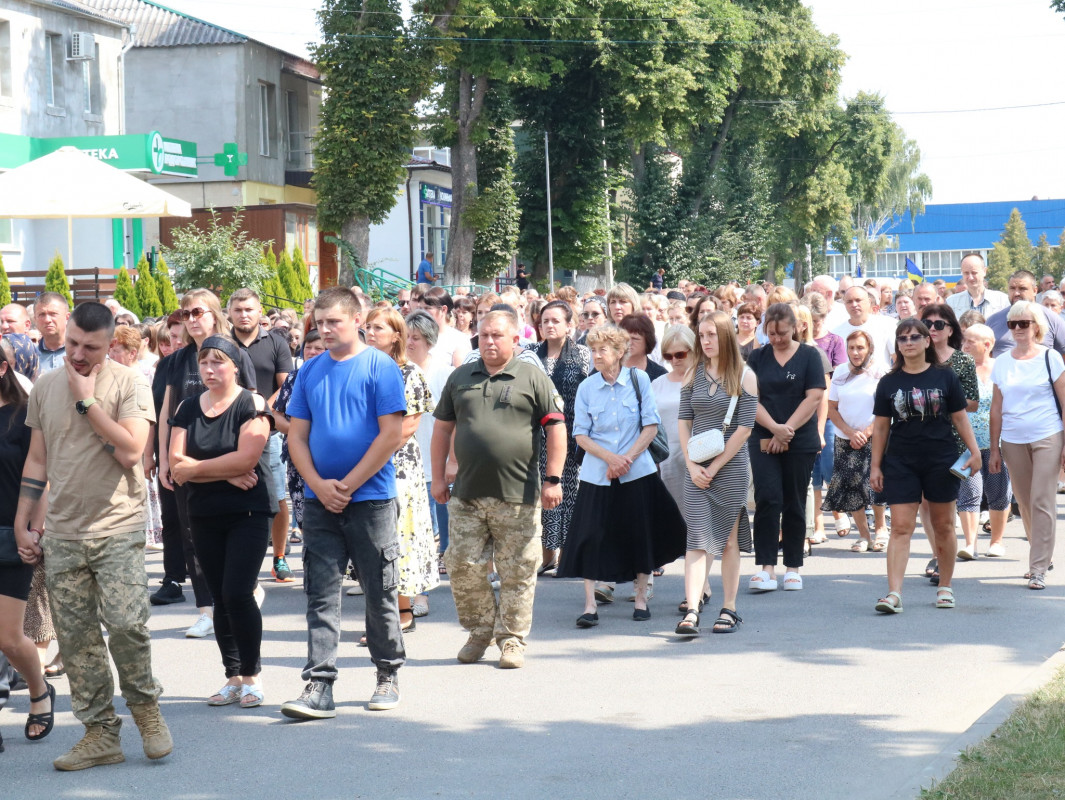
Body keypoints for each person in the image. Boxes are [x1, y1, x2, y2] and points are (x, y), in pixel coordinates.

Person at [14, 301, 172, 770]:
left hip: (116, 526)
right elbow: (38, 460)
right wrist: (26, 521)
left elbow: (130, 451)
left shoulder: (129, 384)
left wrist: (87, 401)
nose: (79, 354)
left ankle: (147, 714)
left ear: (109, 345)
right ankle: (100, 732)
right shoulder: (44, 387)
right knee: (77, 638)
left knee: (126, 625)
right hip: (62, 532)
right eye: (73, 344)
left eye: (90, 347)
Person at [279, 288, 407, 718]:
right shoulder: (310, 371)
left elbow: (391, 434)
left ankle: (387, 672)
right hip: (320, 502)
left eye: (333, 321)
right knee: (321, 592)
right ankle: (320, 685)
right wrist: (318, 483)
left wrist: (347, 485)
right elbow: (296, 435)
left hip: (370, 499)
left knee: (379, 590)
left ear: (357, 320)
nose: (324, 329)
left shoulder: (380, 366)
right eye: (319, 321)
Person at [431, 311, 566, 668]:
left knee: (519, 569)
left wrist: (553, 479)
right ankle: (479, 631)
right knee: (461, 563)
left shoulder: (532, 377)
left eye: (498, 336)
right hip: (467, 493)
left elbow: (556, 429)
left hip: (518, 494)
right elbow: (443, 430)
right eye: (484, 335)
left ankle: (512, 639)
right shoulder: (461, 377)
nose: (489, 341)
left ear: (514, 340)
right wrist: (438, 477)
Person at [557, 325, 685, 627]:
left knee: (639, 533)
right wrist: (610, 459)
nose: (596, 355)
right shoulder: (587, 387)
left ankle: (641, 599)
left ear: (619, 352)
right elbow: (581, 435)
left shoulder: (639, 380)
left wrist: (625, 459)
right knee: (590, 536)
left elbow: (651, 426)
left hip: (636, 472)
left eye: (602, 349)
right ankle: (589, 605)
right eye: (593, 350)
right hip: (596, 474)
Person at [168, 335, 271, 708]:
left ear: (235, 365)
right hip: (203, 513)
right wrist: (222, 473)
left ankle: (252, 677)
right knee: (217, 599)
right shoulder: (187, 406)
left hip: (247, 514)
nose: (209, 370)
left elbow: (246, 459)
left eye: (218, 362)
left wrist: (200, 469)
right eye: (204, 363)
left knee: (237, 593)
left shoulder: (252, 403)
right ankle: (232, 676)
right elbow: (176, 466)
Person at [158, 290, 258, 637]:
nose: (189, 318)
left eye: (196, 311)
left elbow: (250, 409)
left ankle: (239, 593)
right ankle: (206, 609)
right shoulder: (176, 359)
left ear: (214, 313)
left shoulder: (234, 353)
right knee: (190, 535)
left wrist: (226, 470)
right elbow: (167, 413)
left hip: (233, 458)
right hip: (184, 453)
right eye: (184, 313)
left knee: (231, 544)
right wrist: (160, 461)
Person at [871, 319, 981, 614]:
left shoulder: (945, 377)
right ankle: (894, 593)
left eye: (915, 337)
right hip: (901, 461)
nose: (908, 342)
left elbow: (960, 418)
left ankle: (945, 586)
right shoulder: (888, 382)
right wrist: (875, 466)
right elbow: (880, 428)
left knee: (944, 524)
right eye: (903, 338)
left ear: (927, 341)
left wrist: (974, 452)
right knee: (901, 527)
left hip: (941, 459)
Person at [675, 313, 758, 635]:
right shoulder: (692, 374)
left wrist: (713, 467)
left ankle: (729, 607)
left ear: (725, 336)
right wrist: (692, 465)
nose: (706, 341)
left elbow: (745, 429)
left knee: (727, 542)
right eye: (702, 335)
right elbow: (683, 422)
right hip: (696, 467)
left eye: (711, 334)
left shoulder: (744, 375)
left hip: (731, 467)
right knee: (696, 539)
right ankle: (692, 609)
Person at [363, 308, 439, 627]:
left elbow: (406, 427)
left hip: (398, 467)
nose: (369, 332)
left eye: (377, 328)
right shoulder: (360, 370)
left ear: (396, 335)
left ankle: (402, 610)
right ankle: (380, 612)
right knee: (371, 540)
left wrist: (370, 455)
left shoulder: (410, 374)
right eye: (367, 327)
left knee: (399, 535)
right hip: (364, 463)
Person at [746, 303, 826, 593]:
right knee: (767, 497)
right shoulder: (757, 356)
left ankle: (793, 566)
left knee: (794, 499)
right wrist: (775, 429)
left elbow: (814, 396)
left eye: (782, 332)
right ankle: (766, 566)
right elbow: (749, 398)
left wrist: (785, 431)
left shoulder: (809, 356)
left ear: (796, 327)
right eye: (771, 333)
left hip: (799, 438)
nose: (777, 339)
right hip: (763, 435)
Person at [0, 336, 54, 747]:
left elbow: (41, 478)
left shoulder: (22, 416)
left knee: (8, 637)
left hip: (10, 534)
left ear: (3, 368)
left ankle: (38, 691)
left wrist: (34, 530)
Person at [989, 302, 1065, 590]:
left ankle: (1038, 569)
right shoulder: (1003, 362)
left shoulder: (1051, 357)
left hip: (1047, 436)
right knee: (1024, 502)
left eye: (1024, 323)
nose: (1018, 328)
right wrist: (995, 449)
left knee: (1042, 499)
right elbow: (996, 409)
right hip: (1012, 440)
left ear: (1036, 326)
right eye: (1013, 324)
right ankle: (1041, 555)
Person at [228, 289, 293, 583]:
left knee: (276, 495)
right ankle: (236, 558)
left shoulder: (277, 343)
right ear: (229, 312)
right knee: (232, 495)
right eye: (239, 309)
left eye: (250, 309)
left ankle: (278, 558)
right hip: (226, 428)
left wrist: (259, 410)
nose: (244, 314)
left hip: (268, 429)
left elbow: (286, 387)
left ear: (260, 313)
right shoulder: (221, 343)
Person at [529, 301, 591, 573]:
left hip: (574, 433)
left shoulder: (583, 355)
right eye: (545, 321)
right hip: (537, 436)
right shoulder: (529, 355)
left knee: (570, 494)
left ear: (569, 325)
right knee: (544, 493)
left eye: (556, 321)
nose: (550, 325)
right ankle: (546, 557)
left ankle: (569, 557)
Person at [823, 331, 884, 552]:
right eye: (851, 348)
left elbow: (885, 410)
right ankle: (864, 536)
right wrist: (850, 432)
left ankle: (880, 531)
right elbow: (832, 407)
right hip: (845, 438)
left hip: (874, 436)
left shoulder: (880, 372)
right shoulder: (839, 371)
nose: (856, 353)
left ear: (869, 348)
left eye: (860, 348)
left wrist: (866, 432)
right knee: (851, 488)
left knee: (875, 485)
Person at [957, 323, 1010, 560]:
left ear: (987, 345)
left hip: (998, 442)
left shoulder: (1002, 368)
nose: (964, 345)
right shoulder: (957, 368)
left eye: (970, 341)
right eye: (963, 340)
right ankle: (970, 544)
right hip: (966, 443)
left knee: (999, 491)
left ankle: (996, 541)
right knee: (969, 491)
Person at [406, 312, 453, 574]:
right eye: (408, 337)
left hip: (440, 454)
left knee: (443, 508)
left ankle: (445, 551)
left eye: (416, 338)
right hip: (410, 454)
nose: (410, 343)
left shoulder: (445, 374)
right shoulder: (396, 370)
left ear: (430, 341)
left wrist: (453, 459)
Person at [272, 330, 326, 555]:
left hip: (327, 457)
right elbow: (277, 415)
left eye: (318, 347)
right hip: (297, 457)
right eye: (308, 347)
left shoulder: (334, 376)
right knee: (304, 515)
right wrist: (300, 432)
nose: (312, 352)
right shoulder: (294, 377)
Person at [988, 270, 1065, 356]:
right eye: (1012, 288)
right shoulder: (993, 321)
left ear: (1035, 290)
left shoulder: (1052, 319)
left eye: (1022, 288)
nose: (1016, 293)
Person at [833, 286, 896, 370]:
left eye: (858, 300)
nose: (854, 305)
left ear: (869, 302)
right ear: (844, 304)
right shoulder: (836, 333)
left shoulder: (887, 325)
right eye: (849, 302)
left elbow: (897, 359)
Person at [946, 253, 1010, 319]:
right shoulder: (951, 302)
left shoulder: (1002, 301)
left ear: (984, 271)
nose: (970, 277)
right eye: (966, 273)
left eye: (974, 273)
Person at [423, 288, 472, 368]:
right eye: (421, 308)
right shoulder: (417, 336)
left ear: (443, 309)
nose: (423, 312)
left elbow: (460, 374)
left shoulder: (459, 340)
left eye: (428, 308)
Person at [620, 314, 667, 382]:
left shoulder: (660, 375)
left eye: (635, 338)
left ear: (647, 341)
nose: (629, 342)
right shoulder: (606, 370)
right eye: (625, 338)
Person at [34, 292, 70, 374]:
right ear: (35, 319)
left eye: (53, 314)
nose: (47, 320)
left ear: (67, 318)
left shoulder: (81, 353)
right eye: (42, 314)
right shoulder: (31, 357)